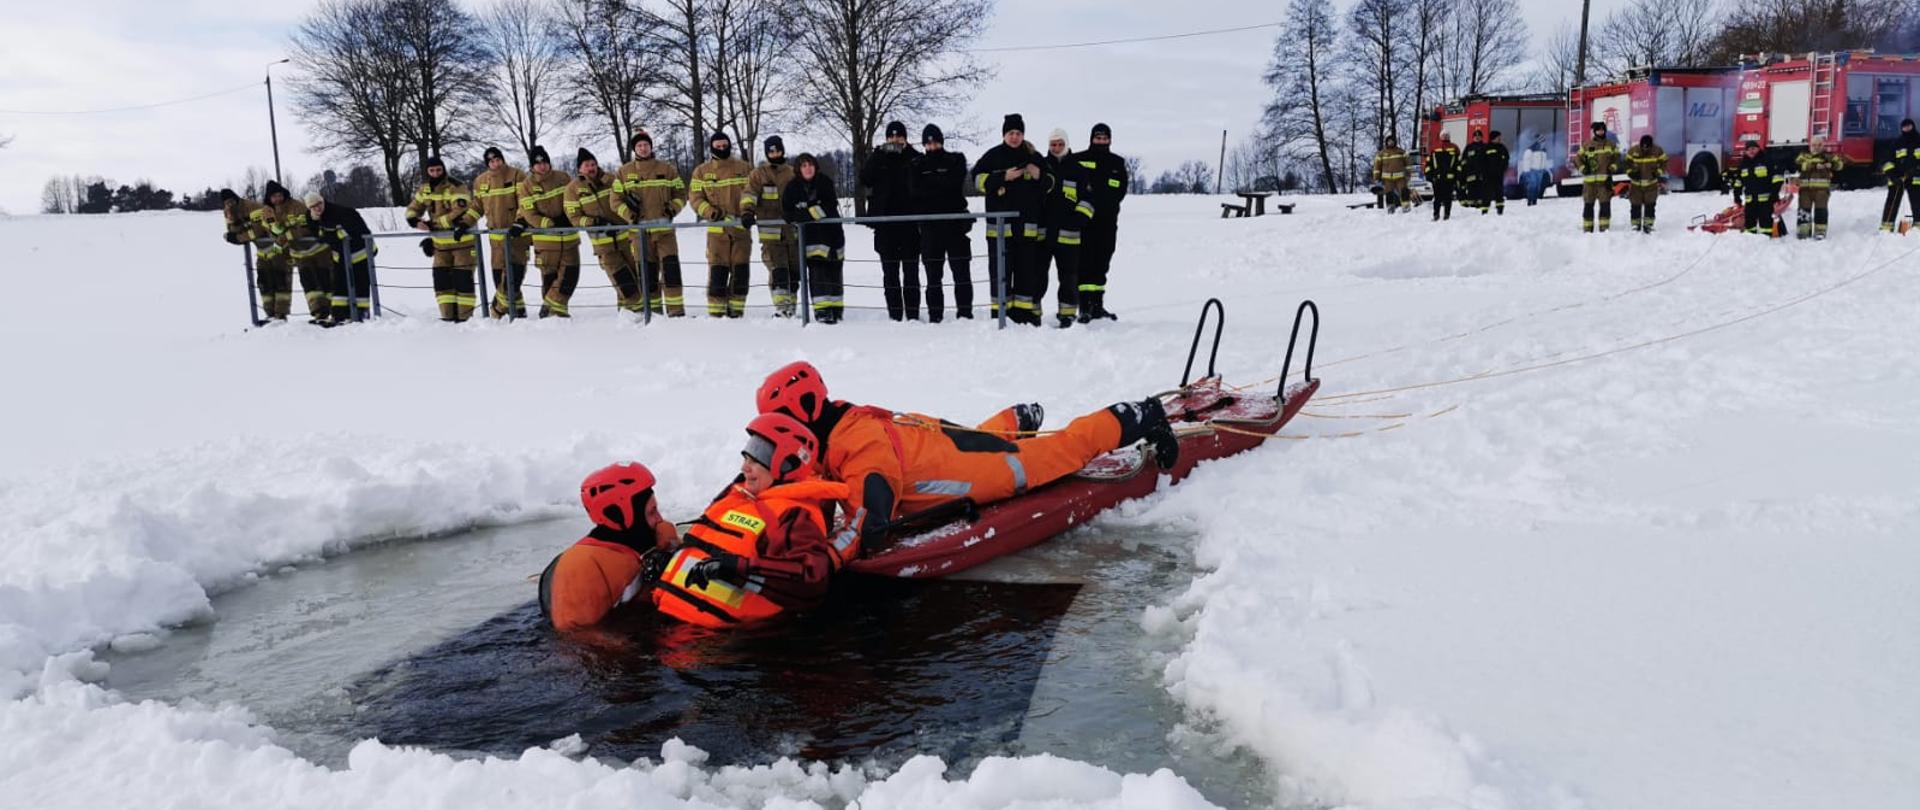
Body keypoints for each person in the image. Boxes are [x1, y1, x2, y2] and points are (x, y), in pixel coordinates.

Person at [753, 361, 1181, 548]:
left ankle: (1142, 414)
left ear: (805, 415)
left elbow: (871, 527)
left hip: (976, 469)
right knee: (978, 440)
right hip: (938, 447)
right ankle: (1016, 419)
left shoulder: (860, 448)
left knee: (1064, 451)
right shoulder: (839, 426)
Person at [649, 414, 856, 628]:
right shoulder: (736, 497)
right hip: (667, 620)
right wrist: (669, 558)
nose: (744, 468)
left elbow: (811, 577)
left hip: (712, 643)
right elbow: (704, 543)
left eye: (755, 460)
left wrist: (734, 568)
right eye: (746, 458)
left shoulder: (794, 515)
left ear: (786, 465)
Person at [539, 462, 681, 632]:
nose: (660, 519)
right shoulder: (582, 567)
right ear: (622, 513)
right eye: (652, 512)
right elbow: (577, 642)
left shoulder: (641, 543)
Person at [971, 114, 1054, 324]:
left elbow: (1052, 183)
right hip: (999, 232)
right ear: (1004, 134)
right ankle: (1000, 316)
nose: (1015, 137)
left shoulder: (1034, 156)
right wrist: (1002, 177)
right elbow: (977, 180)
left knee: (1028, 274)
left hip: (1027, 229)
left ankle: (1025, 317)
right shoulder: (993, 156)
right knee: (1000, 275)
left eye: (1018, 133)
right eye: (1011, 133)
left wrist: (1039, 176)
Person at [564, 147, 646, 314]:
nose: (591, 168)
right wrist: (594, 222)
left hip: (627, 241)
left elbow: (624, 198)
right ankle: (638, 315)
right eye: (586, 165)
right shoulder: (572, 190)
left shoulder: (611, 179)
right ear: (579, 168)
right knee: (625, 285)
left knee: (637, 280)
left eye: (593, 164)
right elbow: (574, 219)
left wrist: (631, 202)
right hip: (604, 247)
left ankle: (626, 318)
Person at [616, 131, 689, 316]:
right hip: (640, 235)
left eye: (646, 145)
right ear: (634, 149)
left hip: (665, 233)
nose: (643, 148)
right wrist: (629, 215)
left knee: (671, 273)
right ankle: (654, 314)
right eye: (639, 145)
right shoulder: (624, 172)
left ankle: (676, 312)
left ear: (651, 146)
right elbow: (615, 201)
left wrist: (673, 208)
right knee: (648, 276)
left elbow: (681, 193)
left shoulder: (667, 169)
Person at [908, 123, 973, 322]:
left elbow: (953, 185)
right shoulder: (916, 164)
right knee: (933, 277)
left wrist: (930, 186)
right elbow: (914, 192)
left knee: (961, 274)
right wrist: (937, 186)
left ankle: (965, 314)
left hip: (955, 226)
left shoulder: (956, 159)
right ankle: (935, 316)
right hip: (930, 228)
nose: (932, 146)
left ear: (941, 141)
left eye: (935, 142)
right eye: (928, 143)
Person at [403, 157, 481, 321]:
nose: (435, 173)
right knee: (441, 281)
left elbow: (458, 212)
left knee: (463, 282)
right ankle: (447, 318)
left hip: (463, 243)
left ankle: (465, 320)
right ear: (427, 171)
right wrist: (415, 221)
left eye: (438, 170)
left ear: (443, 169)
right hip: (440, 245)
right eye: (432, 170)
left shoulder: (456, 186)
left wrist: (433, 225)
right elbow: (413, 208)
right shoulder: (425, 189)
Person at [861, 121, 925, 321]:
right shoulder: (879, 158)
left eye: (899, 137)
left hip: (910, 226)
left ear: (905, 138)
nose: (895, 140)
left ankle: (913, 315)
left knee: (911, 273)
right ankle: (895, 315)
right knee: (890, 274)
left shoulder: (915, 158)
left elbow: (923, 182)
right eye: (891, 137)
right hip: (885, 226)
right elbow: (865, 178)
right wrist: (878, 154)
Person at [689, 130, 754, 318]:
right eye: (717, 146)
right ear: (711, 147)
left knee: (741, 272)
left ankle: (737, 312)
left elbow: (753, 192)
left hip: (741, 231)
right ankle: (716, 316)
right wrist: (710, 212)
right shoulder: (701, 172)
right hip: (717, 233)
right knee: (718, 273)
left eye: (724, 145)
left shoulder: (745, 168)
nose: (721, 148)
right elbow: (695, 198)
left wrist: (749, 211)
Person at [513, 146, 582, 318]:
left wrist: (569, 217)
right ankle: (554, 315)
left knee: (571, 275)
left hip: (569, 238)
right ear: (532, 166)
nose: (542, 166)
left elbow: (574, 198)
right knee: (549, 277)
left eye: (544, 162)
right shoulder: (526, 186)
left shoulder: (563, 177)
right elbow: (529, 213)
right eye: (537, 164)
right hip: (545, 240)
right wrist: (549, 224)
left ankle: (550, 306)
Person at [1037, 128, 1094, 327]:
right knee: (1037, 276)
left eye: (1060, 144)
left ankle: (1067, 314)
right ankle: (1034, 315)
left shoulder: (1079, 170)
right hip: (1043, 234)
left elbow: (1088, 199)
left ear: (1067, 144)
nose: (1057, 147)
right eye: (1053, 144)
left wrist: (1078, 219)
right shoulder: (1041, 166)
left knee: (1069, 278)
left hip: (1069, 236)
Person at [1071, 123, 1128, 321]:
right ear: (1092, 138)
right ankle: (1084, 306)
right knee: (1084, 264)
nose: (1101, 141)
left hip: (1108, 222)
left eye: (1105, 138)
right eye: (1098, 138)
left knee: (1102, 263)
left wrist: (1108, 206)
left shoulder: (1117, 163)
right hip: (1086, 222)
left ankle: (1098, 305)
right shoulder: (1079, 159)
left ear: (1110, 140)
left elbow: (1120, 190)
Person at [261, 180, 335, 323]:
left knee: (326, 280)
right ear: (269, 198)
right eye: (273, 196)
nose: (277, 199)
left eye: (279, 195)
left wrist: (285, 237)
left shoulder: (297, 206)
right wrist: (273, 227)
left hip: (318, 251)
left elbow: (306, 227)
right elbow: (273, 231)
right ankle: (319, 312)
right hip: (299, 254)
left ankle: (335, 311)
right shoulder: (268, 211)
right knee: (309, 285)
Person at [784, 153, 846, 323]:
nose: (808, 168)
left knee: (835, 273)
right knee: (818, 274)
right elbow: (788, 213)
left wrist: (806, 214)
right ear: (798, 169)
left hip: (832, 236)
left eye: (810, 165)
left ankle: (836, 310)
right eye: (803, 166)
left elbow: (829, 205)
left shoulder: (824, 183)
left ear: (816, 167)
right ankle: (822, 312)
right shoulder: (792, 188)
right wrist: (808, 213)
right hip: (810, 239)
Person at [472, 146, 532, 319]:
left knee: (514, 278)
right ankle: (519, 312)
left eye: (498, 159)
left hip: (517, 236)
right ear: (487, 163)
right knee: (499, 279)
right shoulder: (480, 181)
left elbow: (524, 202)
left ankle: (496, 311)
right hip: (495, 241)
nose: (495, 163)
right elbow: (476, 207)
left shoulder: (517, 175)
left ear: (503, 159)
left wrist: (520, 221)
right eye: (491, 161)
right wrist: (463, 223)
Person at [743, 136, 798, 316]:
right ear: (767, 153)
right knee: (778, 271)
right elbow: (749, 193)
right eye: (771, 151)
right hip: (770, 234)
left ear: (783, 150)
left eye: (777, 150)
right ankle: (782, 309)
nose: (775, 154)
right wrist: (747, 211)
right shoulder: (759, 174)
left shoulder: (792, 173)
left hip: (793, 232)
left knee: (794, 272)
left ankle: (792, 308)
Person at [221, 188, 291, 322]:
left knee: (280, 280)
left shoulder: (253, 208)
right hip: (262, 250)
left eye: (231, 201)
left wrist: (239, 238)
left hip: (278, 246)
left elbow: (257, 232)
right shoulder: (229, 212)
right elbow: (233, 233)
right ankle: (270, 315)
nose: (229, 205)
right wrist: (231, 220)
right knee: (264, 282)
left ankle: (280, 315)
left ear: (236, 198)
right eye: (226, 203)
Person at [307, 192, 374, 323]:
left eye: (319, 204)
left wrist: (330, 236)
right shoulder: (311, 217)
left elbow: (350, 234)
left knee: (361, 283)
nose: (317, 208)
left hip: (359, 251)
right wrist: (326, 234)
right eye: (313, 206)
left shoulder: (341, 213)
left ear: (323, 201)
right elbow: (319, 236)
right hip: (340, 256)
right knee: (339, 286)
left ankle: (361, 314)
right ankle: (339, 315)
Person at [1795, 135, 1847, 240]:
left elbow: (1840, 164)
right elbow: (1798, 165)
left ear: (1823, 145)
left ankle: (1820, 231)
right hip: (1805, 189)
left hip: (1821, 190)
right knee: (1804, 210)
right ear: (1810, 145)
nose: (1816, 147)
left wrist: (1831, 165)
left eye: (1819, 145)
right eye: (1814, 145)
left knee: (1821, 211)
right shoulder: (1803, 155)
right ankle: (1803, 231)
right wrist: (1813, 165)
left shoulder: (1828, 156)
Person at [1730, 140, 1786, 238]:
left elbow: (1777, 178)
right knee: (1750, 225)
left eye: (1753, 148)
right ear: (1745, 151)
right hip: (1750, 201)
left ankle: (1767, 239)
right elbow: (1738, 182)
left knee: (1766, 224)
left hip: (1766, 201)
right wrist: (1737, 196)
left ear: (1758, 149)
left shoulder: (1767, 160)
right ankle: (1751, 240)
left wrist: (1774, 193)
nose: (1751, 151)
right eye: (1748, 149)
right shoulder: (1743, 164)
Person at [1576, 122, 1621, 233]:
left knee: (1605, 206)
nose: (1600, 132)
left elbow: (1617, 158)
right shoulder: (1587, 145)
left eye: (1602, 130)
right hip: (1589, 183)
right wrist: (1582, 168)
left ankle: (1604, 228)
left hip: (1604, 183)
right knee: (1588, 206)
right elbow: (1577, 158)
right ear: (1594, 131)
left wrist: (1613, 167)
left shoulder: (1611, 144)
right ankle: (1587, 229)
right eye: (1598, 130)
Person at [1880, 118, 1920, 234]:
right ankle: (1886, 227)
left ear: (1913, 127)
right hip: (1897, 179)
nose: (1906, 129)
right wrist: (1892, 176)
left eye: (1908, 126)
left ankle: (1918, 227)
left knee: (1917, 202)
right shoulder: (1896, 143)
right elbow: (1887, 161)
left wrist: (1917, 170)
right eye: (1904, 127)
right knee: (1892, 202)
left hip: (1916, 179)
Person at [1624, 135, 1668, 233]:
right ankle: (1635, 224)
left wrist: (1658, 172)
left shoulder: (1657, 150)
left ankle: (1648, 225)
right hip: (1636, 184)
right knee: (1635, 205)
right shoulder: (1633, 150)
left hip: (1651, 184)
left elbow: (1664, 162)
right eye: (1643, 146)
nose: (1645, 148)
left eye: (1647, 146)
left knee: (1650, 205)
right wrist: (1631, 173)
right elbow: (1626, 163)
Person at [1424, 132, 1461, 221]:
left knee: (1448, 197)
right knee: (1437, 198)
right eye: (1443, 135)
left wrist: (1458, 175)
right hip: (1437, 178)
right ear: (1440, 136)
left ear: (1449, 136)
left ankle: (1447, 215)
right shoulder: (1435, 147)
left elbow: (1458, 163)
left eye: (1447, 135)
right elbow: (1429, 163)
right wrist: (1429, 174)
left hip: (1450, 178)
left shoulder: (1454, 147)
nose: (1445, 136)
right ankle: (1436, 215)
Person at [1476, 131, 1511, 215]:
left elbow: (1506, 159)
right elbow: (1480, 161)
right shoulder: (1485, 148)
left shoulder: (1502, 148)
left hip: (1498, 175)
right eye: (1498, 137)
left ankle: (1500, 210)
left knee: (1499, 193)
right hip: (1487, 176)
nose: (1500, 139)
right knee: (1486, 193)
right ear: (1493, 138)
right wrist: (1482, 172)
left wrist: (1504, 168)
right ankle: (1484, 210)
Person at [1373, 136, 1411, 213]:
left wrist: (1408, 174)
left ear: (1395, 142)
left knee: (1404, 192)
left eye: (1392, 141)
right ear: (1386, 142)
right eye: (1389, 141)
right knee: (1389, 193)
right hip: (1387, 179)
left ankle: (1406, 207)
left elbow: (1408, 164)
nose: (1391, 143)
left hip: (1400, 177)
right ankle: (1390, 208)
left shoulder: (1401, 152)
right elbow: (1377, 167)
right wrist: (1376, 178)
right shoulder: (1381, 154)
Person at [1520, 140, 1553, 206]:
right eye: (1543, 142)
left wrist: (1545, 168)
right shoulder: (1530, 150)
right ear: (1539, 142)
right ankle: (1529, 200)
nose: (1544, 144)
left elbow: (1544, 161)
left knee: (1538, 186)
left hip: (1540, 171)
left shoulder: (1544, 150)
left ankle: (1534, 200)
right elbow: (1527, 161)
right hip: (1533, 171)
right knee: (1532, 186)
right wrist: (1527, 171)